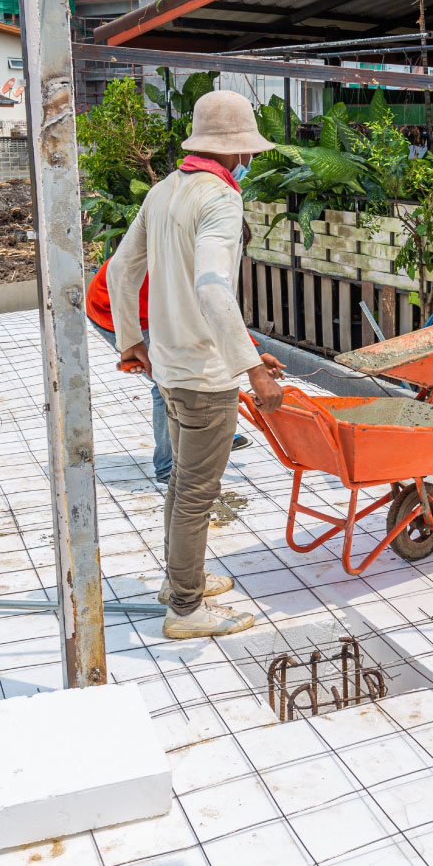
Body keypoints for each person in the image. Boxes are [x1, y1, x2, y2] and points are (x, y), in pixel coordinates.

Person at [108, 89, 286, 640]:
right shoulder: (220, 199)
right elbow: (212, 285)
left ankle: (178, 582)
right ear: (241, 151)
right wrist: (252, 368)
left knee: (182, 487)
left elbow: (119, 269)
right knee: (194, 495)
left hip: (168, 366)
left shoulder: (165, 191)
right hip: (205, 378)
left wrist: (130, 340)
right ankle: (185, 610)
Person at [86, 256, 252, 489]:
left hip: (148, 307)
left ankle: (211, 433)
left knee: (194, 367)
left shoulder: (193, 250)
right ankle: (168, 467)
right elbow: (205, 311)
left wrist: (248, 349)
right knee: (168, 383)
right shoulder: (181, 258)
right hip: (115, 310)